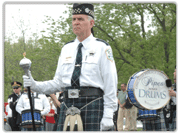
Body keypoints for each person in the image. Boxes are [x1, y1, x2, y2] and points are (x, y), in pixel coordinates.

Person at [23, 3, 118, 131]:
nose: (76, 23)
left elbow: (110, 83)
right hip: (67, 106)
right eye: (74, 19)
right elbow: (58, 83)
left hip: (93, 104)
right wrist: (35, 85)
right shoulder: (66, 49)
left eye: (80, 19)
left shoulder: (102, 48)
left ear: (91, 23)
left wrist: (108, 114)